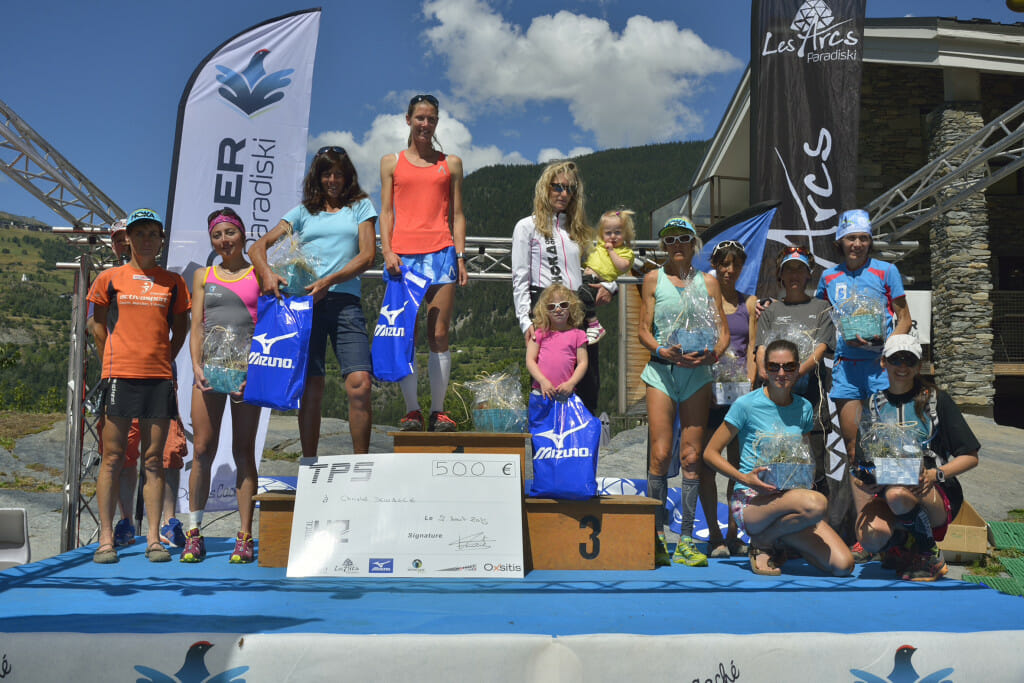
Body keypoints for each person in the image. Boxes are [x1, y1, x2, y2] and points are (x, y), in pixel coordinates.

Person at [250, 147, 376, 457]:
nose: (332, 180)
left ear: (347, 176)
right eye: (326, 173)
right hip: (305, 306)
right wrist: (267, 273)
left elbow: (367, 255)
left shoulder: (360, 207)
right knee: (311, 389)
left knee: (360, 384)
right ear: (316, 177)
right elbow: (258, 247)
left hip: (346, 303)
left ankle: (362, 463)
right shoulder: (302, 213)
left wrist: (329, 281)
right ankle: (309, 464)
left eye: (338, 174)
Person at [87, 208, 191, 564]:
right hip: (119, 377)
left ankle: (153, 540)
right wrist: (110, 359)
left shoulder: (173, 282)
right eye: (139, 233)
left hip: (158, 378)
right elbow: (97, 326)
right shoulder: (109, 278)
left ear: (161, 241)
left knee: (153, 461)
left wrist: (164, 356)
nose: (146, 240)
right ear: (127, 239)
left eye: (153, 234)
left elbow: (182, 327)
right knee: (113, 458)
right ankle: (106, 538)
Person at [703, 339, 854, 576]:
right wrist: (745, 478)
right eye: (774, 367)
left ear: (797, 369)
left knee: (843, 565)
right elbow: (710, 454)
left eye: (789, 367)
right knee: (817, 503)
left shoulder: (804, 407)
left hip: (792, 500)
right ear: (765, 368)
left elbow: (802, 455)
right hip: (754, 500)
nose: (781, 373)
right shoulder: (746, 405)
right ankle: (766, 541)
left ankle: (770, 539)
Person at [815, 209, 910, 559]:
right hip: (846, 372)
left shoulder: (886, 271)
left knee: (891, 447)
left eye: (863, 238)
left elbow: (904, 317)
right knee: (856, 450)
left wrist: (887, 348)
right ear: (840, 240)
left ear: (870, 241)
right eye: (851, 238)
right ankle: (867, 533)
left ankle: (901, 531)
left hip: (880, 369)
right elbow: (820, 318)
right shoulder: (829, 276)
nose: (856, 244)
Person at [638, 216, 729, 567]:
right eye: (670, 239)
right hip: (662, 372)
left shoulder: (708, 281)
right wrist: (660, 350)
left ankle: (688, 539)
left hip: (698, 374)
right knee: (661, 455)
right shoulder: (652, 279)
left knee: (692, 456)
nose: (677, 245)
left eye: (683, 239)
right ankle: (657, 536)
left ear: (694, 244)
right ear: (664, 245)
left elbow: (721, 330)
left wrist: (715, 354)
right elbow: (643, 329)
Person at [851, 334, 979, 581]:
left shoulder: (935, 400)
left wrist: (936, 474)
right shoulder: (874, 404)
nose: (902, 366)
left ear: (919, 365)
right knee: (871, 534)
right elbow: (862, 464)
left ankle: (927, 551)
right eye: (895, 359)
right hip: (888, 490)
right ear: (883, 362)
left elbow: (971, 456)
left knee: (897, 493)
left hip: (933, 490)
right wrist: (867, 478)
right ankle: (898, 547)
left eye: (909, 360)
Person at [379, 94, 468, 432]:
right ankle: (413, 410)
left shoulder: (452, 163)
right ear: (408, 119)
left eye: (431, 119)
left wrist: (460, 256)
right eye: (419, 118)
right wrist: (387, 251)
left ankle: (439, 411)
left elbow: (457, 214)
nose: (425, 124)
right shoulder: (391, 162)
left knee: (439, 333)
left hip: (442, 252)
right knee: (405, 334)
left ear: (437, 122)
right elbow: (386, 212)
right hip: (403, 257)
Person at [182, 208, 262, 564]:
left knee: (243, 451)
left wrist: (254, 372)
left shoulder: (259, 273)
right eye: (217, 235)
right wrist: (197, 367)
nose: (224, 240)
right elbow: (197, 325)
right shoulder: (203, 275)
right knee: (201, 450)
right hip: (209, 373)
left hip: (246, 373)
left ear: (242, 235)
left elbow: (269, 327)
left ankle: (244, 536)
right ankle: (193, 533)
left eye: (230, 233)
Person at [755, 247, 850, 540]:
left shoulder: (822, 308)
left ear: (809, 274)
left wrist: (792, 373)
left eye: (799, 269)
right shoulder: (770, 311)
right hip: (776, 403)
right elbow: (760, 350)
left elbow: (820, 350)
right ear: (780, 275)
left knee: (814, 468)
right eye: (789, 269)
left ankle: (820, 535)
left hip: (812, 401)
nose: (794, 275)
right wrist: (766, 373)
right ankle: (779, 535)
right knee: (777, 467)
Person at [512, 160, 609, 414]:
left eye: (570, 189)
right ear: (545, 188)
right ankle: (546, 448)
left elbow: (601, 265)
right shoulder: (526, 226)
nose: (564, 194)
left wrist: (607, 286)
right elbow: (520, 277)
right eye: (558, 187)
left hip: (578, 311)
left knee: (587, 384)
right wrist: (525, 321)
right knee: (546, 386)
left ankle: (585, 448)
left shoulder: (577, 230)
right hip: (545, 311)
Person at [699, 239, 758, 558]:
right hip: (708, 395)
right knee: (707, 464)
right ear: (716, 265)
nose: (729, 270)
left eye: (735, 264)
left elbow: (752, 347)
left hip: (739, 396)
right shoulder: (704, 302)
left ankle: (735, 533)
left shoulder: (750, 304)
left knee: (738, 465)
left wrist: (748, 382)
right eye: (724, 263)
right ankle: (714, 535)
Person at [578, 209, 635, 344]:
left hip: (598, 280)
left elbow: (623, 266)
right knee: (578, 299)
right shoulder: (600, 246)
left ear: (625, 234)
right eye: (608, 233)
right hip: (585, 276)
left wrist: (611, 251)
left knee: (583, 293)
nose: (612, 236)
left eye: (618, 232)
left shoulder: (626, 252)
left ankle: (594, 323)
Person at [525, 284, 588, 400]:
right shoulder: (539, 333)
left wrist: (571, 383)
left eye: (563, 305)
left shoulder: (578, 335)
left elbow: (583, 362)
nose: (558, 309)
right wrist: (542, 381)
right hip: (541, 391)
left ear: (571, 307)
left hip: (566, 392)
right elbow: (530, 360)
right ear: (545, 311)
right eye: (551, 307)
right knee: (540, 419)